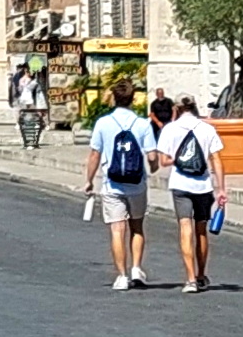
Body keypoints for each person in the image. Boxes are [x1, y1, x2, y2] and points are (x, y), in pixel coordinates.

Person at [82, 79, 159, 290]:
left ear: (114, 98)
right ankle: (136, 268)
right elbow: (152, 155)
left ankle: (122, 276)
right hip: (137, 183)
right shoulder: (143, 124)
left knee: (117, 230)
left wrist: (89, 180)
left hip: (112, 183)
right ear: (133, 99)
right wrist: (153, 168)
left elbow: (94, 154)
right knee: (137, 227)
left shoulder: (103, 123)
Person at [157, 94, 228, 292]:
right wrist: (221, 188)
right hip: (203, 185)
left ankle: (189, 279)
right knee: (201, 230)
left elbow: (163, 161)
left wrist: (180, 159)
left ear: (176, 109)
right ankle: (201, 274)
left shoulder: (169, 129)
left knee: (184, 228)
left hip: (180, 184)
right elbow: (217, 160)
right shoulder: (207, 128)